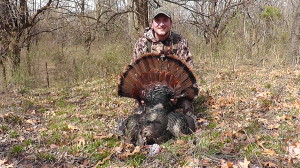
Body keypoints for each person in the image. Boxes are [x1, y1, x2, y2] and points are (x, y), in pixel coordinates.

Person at [132, 7, 198, 125]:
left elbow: (189, 73)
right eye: (157, 20)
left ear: (170, 23)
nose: (161, 24)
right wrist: (142, 94)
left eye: (165, 20)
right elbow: (135, 74)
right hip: (149, 92)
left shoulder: (180, 42)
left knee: (185, 117)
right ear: (152, 24)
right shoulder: (142, 43)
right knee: (138, 120)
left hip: (174, 91)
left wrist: (177, 93)